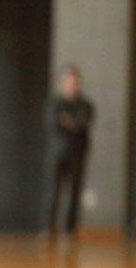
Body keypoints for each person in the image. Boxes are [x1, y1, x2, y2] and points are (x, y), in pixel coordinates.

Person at [48, 65, 94, 237]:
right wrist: (69, 123)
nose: (73, 86)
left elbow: (81, 123)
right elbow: (54, 123)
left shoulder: (86, 105)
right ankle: (49, 228)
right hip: (57, 154)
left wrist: (68, 121)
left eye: (76, 83)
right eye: (70, 82)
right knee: (53, 191)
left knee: (75, 192)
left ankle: (70, 230)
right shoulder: (54, 104)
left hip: (78, 153)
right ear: (62, 83)